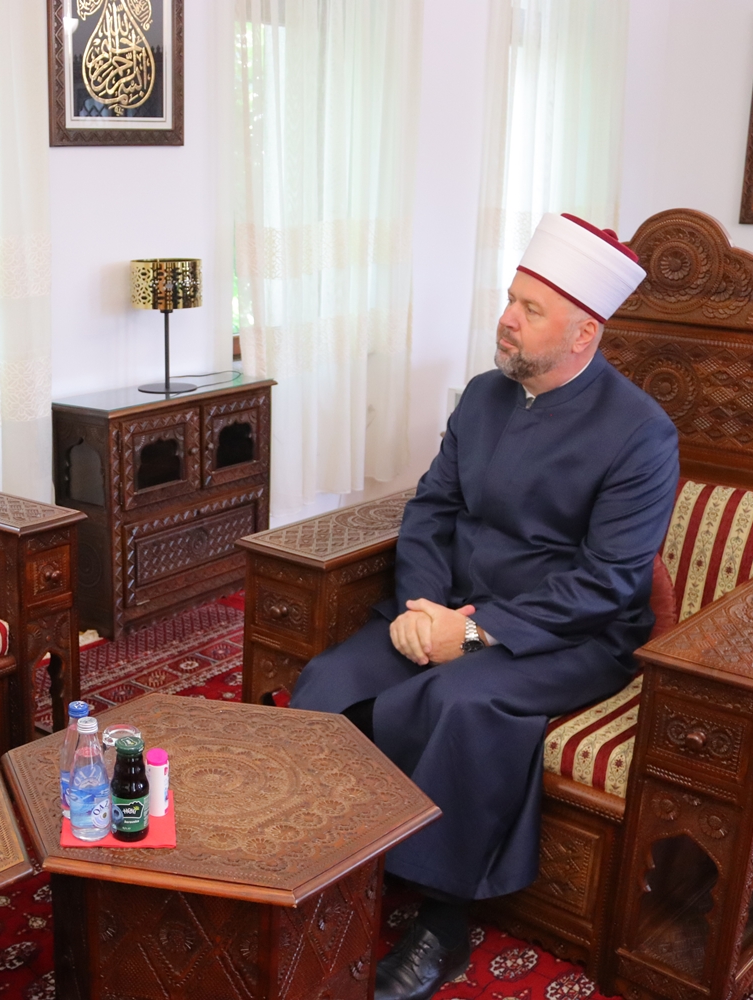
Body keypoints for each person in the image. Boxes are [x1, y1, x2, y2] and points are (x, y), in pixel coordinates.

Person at [289, 214, 678, 1000]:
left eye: (531, 309)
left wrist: (471, 634)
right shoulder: (482, 396)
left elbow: (609, 581)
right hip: (448, 605)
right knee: (329, 682)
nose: (507, 318)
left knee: (458, 703)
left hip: (569, 635)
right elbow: (432, 509)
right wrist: (422, 605)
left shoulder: (642, 434)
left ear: (584, 333)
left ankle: (443, 919)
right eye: (510, 298)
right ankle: (325, 863)